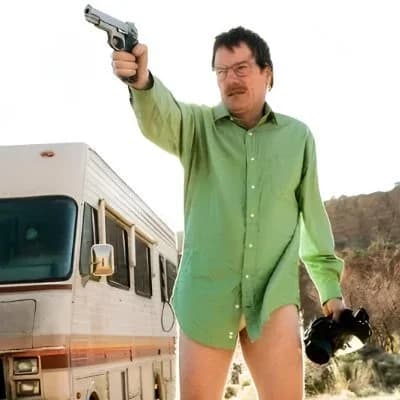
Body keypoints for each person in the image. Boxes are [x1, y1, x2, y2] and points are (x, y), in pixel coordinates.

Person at [112, 26, 346, 400]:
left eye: (240, 68)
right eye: (221, 71)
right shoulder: (197, 127)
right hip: (205, 296)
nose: (230, 79)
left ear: (267, 73)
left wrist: (331, 292)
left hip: (272, 296)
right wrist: (141, 82)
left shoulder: (298, 138)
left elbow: (313, 220)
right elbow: (162, 115)